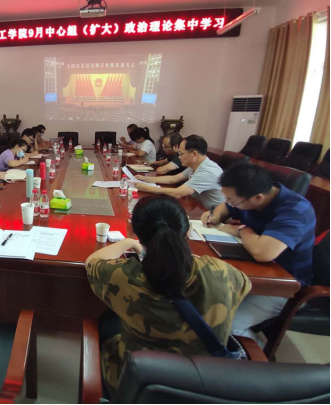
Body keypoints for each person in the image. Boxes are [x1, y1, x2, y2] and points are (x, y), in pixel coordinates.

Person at [86, 196, 251, 397]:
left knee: (109, 319)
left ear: (138, 234)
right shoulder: (221, 272)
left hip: (138, 388)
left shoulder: (123, 276)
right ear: (187, 231)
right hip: (207, 388)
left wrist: (129, 242)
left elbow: (93, 262)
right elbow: (245, 285)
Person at [201, 163, 316, 344]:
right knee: (202, 304)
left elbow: (263, 253)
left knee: (223, 325)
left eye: (232, 200)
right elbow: (226, 207)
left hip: (282, 286)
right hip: (252, 272)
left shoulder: (296, 210)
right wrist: (215, 216)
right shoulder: (248, 195)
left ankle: (255, 354)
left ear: (258, 198)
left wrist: (242, 230)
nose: (229, 203)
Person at [134, 135, 226, 210]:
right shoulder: (195, 165)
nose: (179, 157)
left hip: (214, 216)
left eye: (181, 154)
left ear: (194, 154)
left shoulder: (207, 172)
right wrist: (145, 179)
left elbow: (177, 193)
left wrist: (147, 188)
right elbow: (173, 179)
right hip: (198, 207)